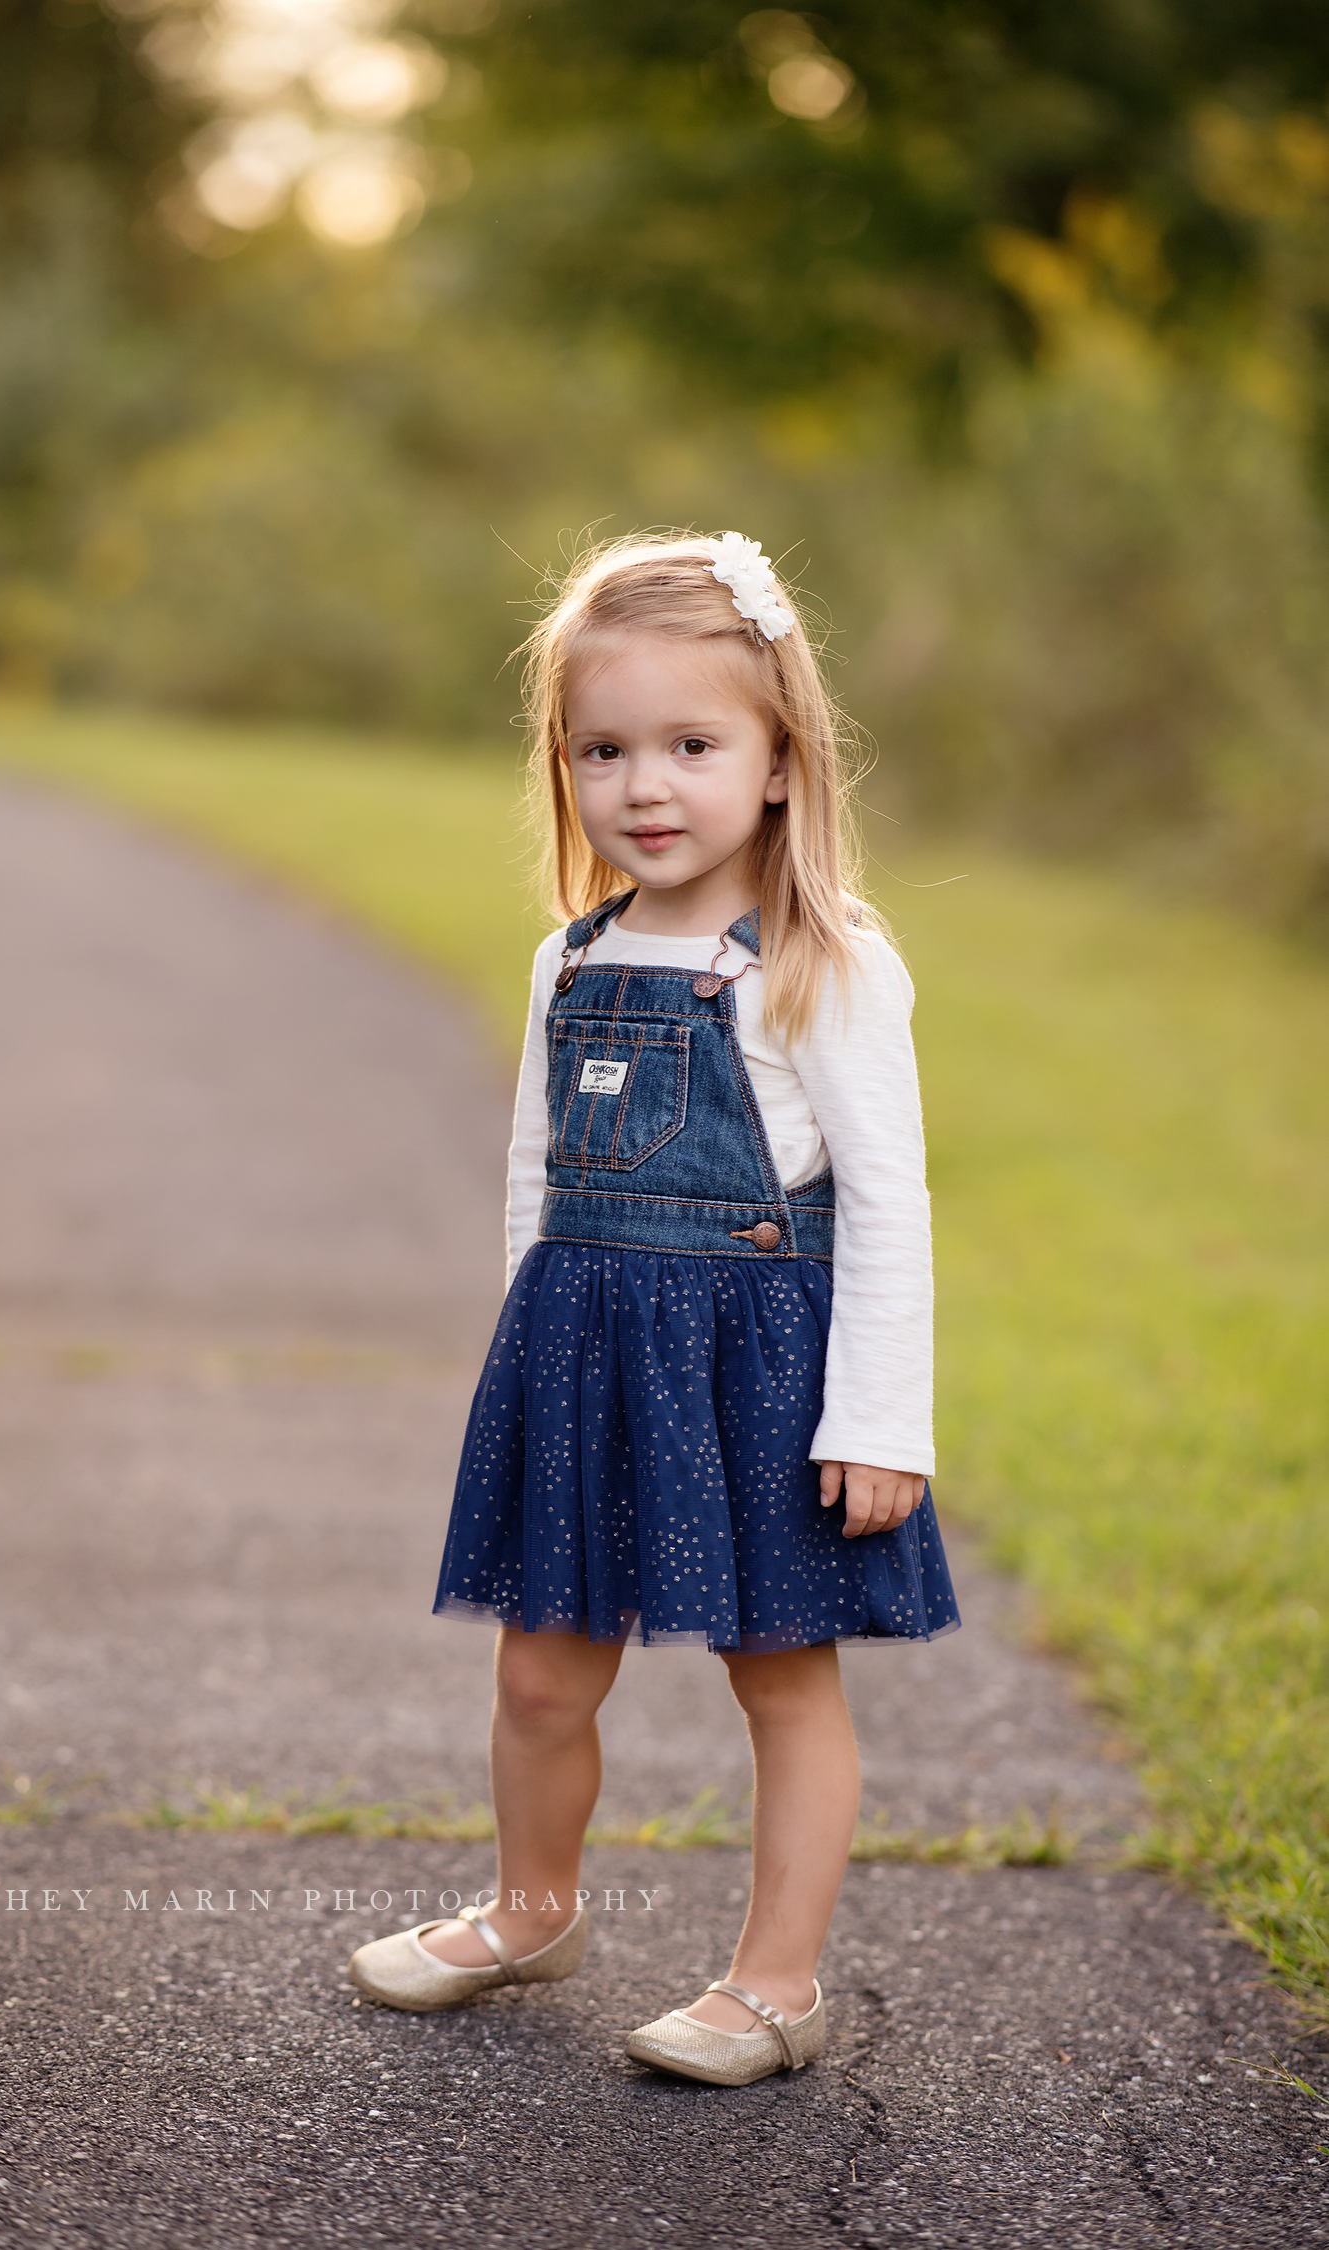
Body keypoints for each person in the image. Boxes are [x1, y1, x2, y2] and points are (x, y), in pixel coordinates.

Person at [349, 530, 959, 2086]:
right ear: (563, 766)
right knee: (542, 1669)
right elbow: (537, 1182)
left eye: (692, 744)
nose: (646, 785)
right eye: (604, 748)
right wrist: (522, 1366)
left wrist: (881, 1417)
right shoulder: (573, 956)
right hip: (583, 1357)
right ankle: (532, 1906)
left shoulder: (822, 963)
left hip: (763, 1365)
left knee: (780, 1671)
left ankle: (774, 1982)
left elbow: (887, 1201)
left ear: (778, 760)